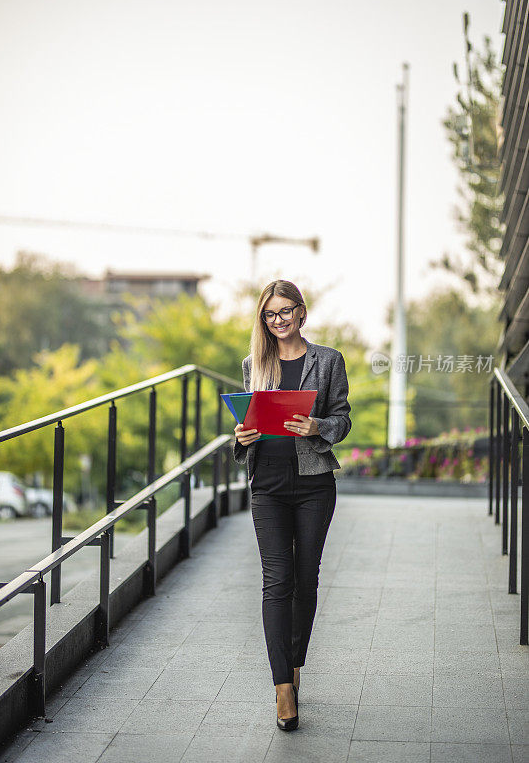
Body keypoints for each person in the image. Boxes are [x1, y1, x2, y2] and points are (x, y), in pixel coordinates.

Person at [233, 279, 352, 731]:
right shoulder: (254, 364)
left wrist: (315, 425)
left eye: (285, 311)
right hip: (266, 484)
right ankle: (283, 687)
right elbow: (247, 422)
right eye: (269, 314)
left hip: (314, 485)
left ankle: (295, 664)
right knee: (276, 582)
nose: (277, 320)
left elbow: (342, 419)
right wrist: (241, 437)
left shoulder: (328, 361)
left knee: (306, 579)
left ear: (301, 312)